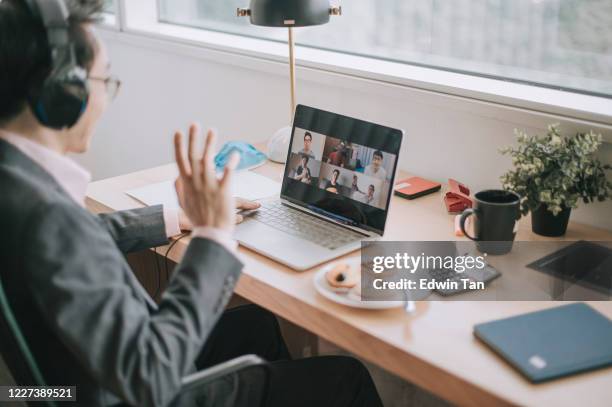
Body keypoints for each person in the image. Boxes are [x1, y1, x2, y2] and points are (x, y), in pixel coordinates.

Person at [0, 1, 384, 407]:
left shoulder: (18, 185)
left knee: (256, 325)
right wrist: (212, 235)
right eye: (105, 79)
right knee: (346, 378)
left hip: (77, 385)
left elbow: (71, 240)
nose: (108, 96)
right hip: (141, 384)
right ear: (64, 93)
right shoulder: (46, 213)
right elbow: (150, 375)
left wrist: (177, 216)